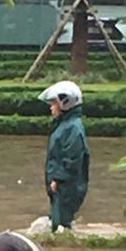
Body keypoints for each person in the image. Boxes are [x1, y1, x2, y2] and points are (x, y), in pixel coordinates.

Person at [38, 81, 90, 232]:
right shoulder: (64, 126)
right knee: (57, 220)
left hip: (66, 186)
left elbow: (72, 158)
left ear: (64, 103)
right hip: (61, 186)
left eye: (53, 103)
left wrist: (58, 179)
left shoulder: (72, 128)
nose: (51, 107)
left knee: (61, 223)